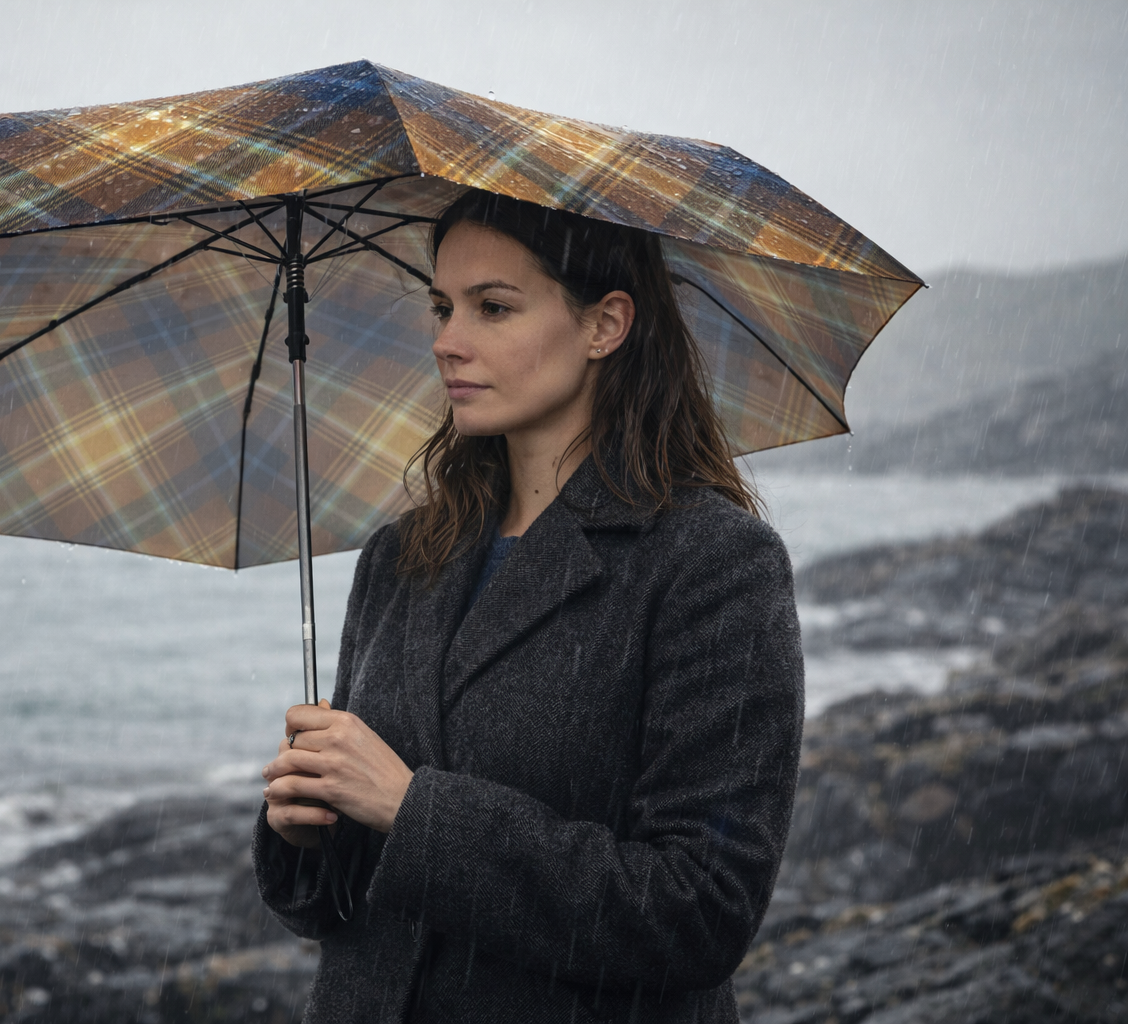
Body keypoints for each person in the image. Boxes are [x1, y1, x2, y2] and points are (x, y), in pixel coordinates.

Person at [253, 188, 804, 1023]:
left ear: (604, 325)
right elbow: (338, 913)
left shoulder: (712, 564)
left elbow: (700, 911)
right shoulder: (401, 559)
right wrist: (308, 835)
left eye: (493, 307)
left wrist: (411, 809)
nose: (447, 341)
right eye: (442, 307)